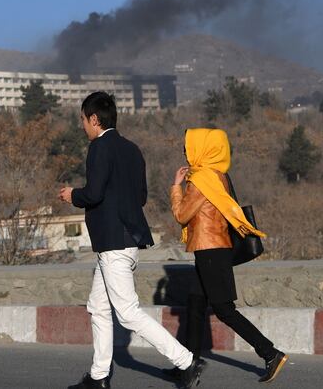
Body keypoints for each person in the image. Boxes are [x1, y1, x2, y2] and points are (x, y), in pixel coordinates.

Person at [59, 92, 206, 389]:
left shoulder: (99, 147)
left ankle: (186, 361)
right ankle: (99, 376)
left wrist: (72, 194)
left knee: (127, 313)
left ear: (94, 119)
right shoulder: (132, 149)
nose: (83, 125)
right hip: (123, 240)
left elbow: (94, 193)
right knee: (97, 307)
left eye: (83, 120)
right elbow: (139, 197)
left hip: (113, 242)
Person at [168, 128, 288, 384]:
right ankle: (187, 364)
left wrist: (176, 187)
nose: (185, 151)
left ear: (202, 149)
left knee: (224, 310)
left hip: (210, 250)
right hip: (211, 249)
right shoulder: (219, 175)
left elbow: (181, 215)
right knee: (195, 305)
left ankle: (270, 353)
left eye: (188, 146)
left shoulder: (200, 180)